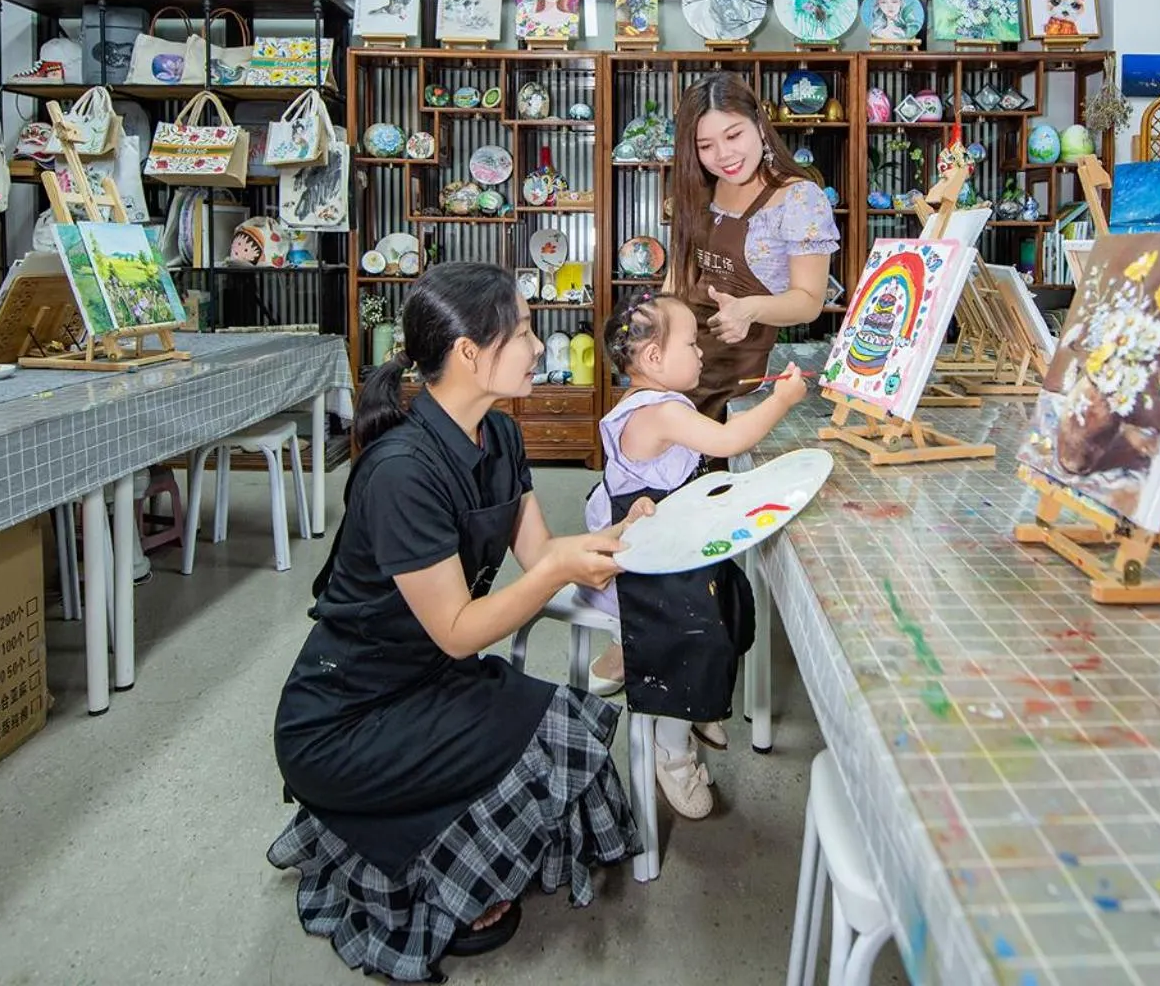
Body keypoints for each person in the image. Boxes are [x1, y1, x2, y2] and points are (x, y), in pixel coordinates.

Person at [269, 263, 644, 984]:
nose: (539, 346)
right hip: (347, 718)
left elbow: (542, 553)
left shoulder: (499, 436)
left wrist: (626, 531)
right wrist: (559, 573)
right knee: (541, 735)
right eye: (525, 331)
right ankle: (422, 864)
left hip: (427, 681)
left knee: (563, 725)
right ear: (470, 352)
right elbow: (460, 630)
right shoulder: (401, 472)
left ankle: (437, 845)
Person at [577, 291, 808, 816]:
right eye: (691, 343)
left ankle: (703, 704)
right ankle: (672, 749)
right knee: (694, 637)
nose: (701, 352)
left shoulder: (656, 403)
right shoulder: (660, 412)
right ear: (654, 358)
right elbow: (729, 441)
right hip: (648, 570)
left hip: (675, 545)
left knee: (732, 598)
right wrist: (782, 400)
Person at [665, 72, 840, 420]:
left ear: (759, 125)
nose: (723, 155)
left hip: (739, 377)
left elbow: (809, 301)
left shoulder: (799, 199)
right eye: (705, 146)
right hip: (679, 366)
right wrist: (654, 333)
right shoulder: (700, 187)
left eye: (733, 135)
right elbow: (677, 278)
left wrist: (748, 309)